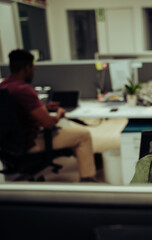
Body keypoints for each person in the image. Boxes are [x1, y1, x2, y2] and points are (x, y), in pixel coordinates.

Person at [0, 49, 97, 182]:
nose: (34, 71)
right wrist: (59, 114)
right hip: (30, 143)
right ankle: (88, 180)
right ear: (27, 68)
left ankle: (87, 160)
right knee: (83, 135)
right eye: (33, 68)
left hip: (9, 145)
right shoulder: (24, 90)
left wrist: (43, 108)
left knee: (71, 134)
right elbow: (48, 123)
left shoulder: (4, 86)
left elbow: (16, 112)